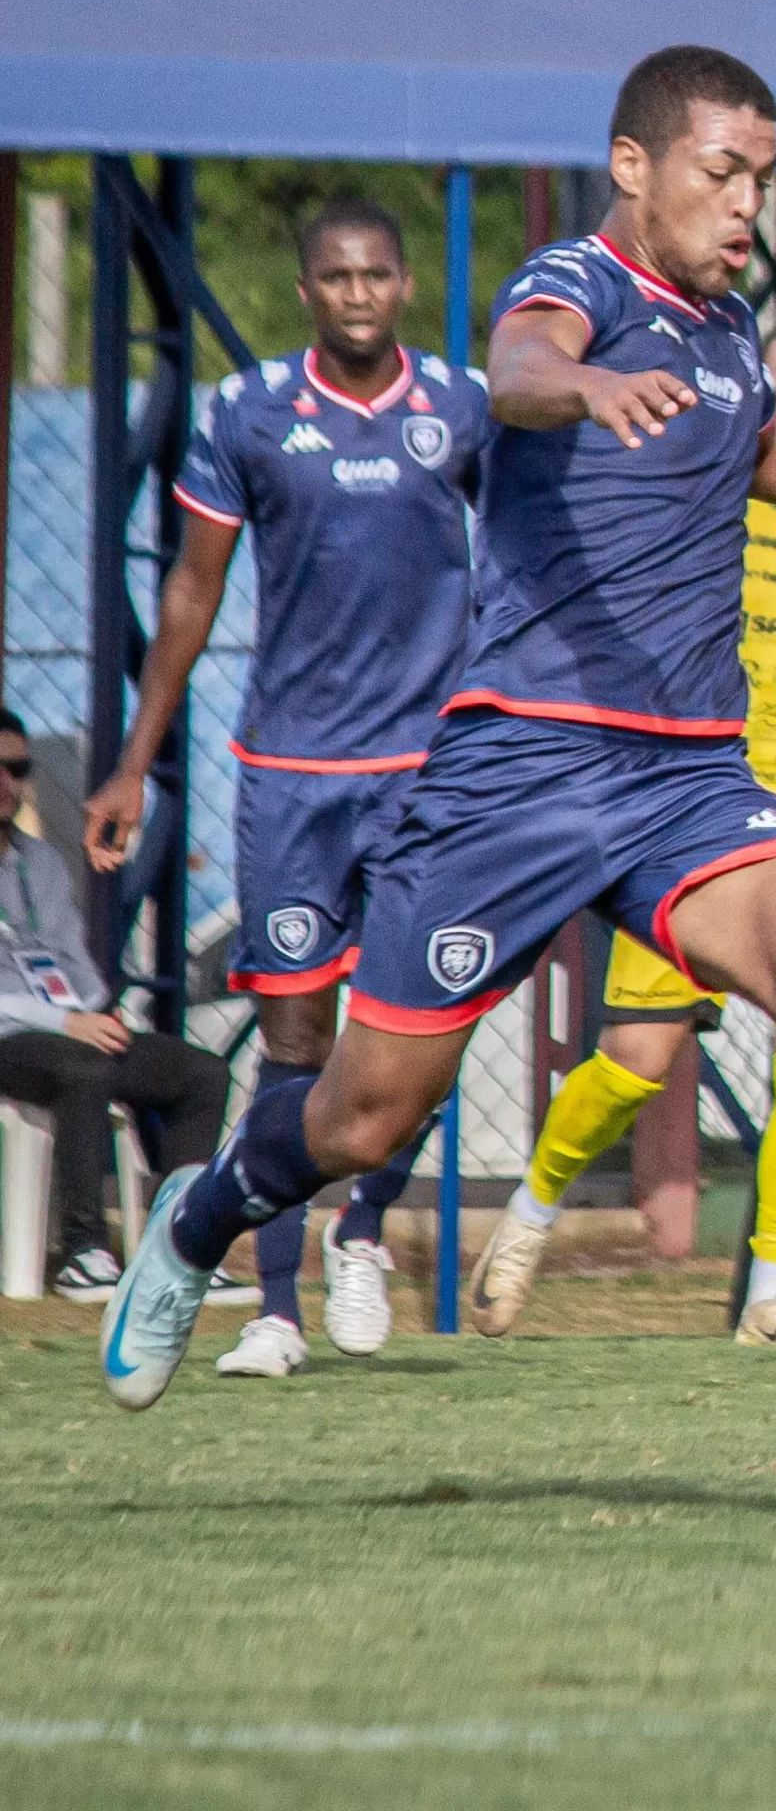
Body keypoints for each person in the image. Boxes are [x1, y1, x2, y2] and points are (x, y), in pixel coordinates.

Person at [99, 45, 776, 1477]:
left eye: (763, 178)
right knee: (362, 1111)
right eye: (723, 172)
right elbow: (517, 371)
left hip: (689, 776)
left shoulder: (721, 331)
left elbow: (758, 446)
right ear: (634, 165)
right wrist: (579, 388)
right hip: (518, 774)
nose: (747, 202)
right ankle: (202, 1223)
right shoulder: (574, 286)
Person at [83, 199, 488, 1380]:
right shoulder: (247, 409)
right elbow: (192, 595)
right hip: (293, 779)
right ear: (306, 290)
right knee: (296, 1033)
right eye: (336, 277)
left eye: (377, 275)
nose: (358, 293)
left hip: (429, 772)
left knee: (429, 1026)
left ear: (403, 285)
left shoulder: (459, 407)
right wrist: (128, 763)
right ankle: (274, 1307)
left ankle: (363, 1234)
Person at [464, 319, 776, 1352]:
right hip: (683, 810)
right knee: (636, 1057)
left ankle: (773, 1293)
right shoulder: (703, 505)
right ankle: (528, 1213)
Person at [0, 713, 239, 1302]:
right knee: (84, 1067)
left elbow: (68, 960)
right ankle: (84, 1251)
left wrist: (94, 1012)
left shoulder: (42, 862)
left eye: (18, 769)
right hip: (14, 1036)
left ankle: (183, 1247)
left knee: (199, 1072)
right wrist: (66, 1021)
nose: (8, 782)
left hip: (67, 1026)